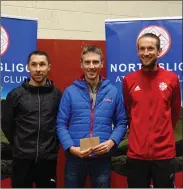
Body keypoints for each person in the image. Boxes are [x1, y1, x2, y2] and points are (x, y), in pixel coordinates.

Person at [56, 45, 127, 188]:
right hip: (75, 156)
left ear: (101, 64)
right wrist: (70, 147)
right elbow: (60, 124)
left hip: (102, 157)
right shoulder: (70, 92)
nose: (91, 66)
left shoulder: (113, 92)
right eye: (87, 62)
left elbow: (121, 122)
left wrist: (111, 142)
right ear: (81, 64)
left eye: (95, 62)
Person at [123, 33, 181, 188]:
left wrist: (162, 132)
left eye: (150, 48)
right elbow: (130, 112)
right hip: (136, 154)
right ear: (137, 51)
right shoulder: (129, 80)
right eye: (142, 49)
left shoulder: (172, 79)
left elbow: (175, 113)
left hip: (164, 154)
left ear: (159, 51)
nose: (146, 53)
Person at [1, 50, 62, 188]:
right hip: (22, 160)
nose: (38, 69)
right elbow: (6, 124)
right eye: (34, 65)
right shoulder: (16, 94)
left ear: (49, 67)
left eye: (42, 65)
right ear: (28, 67)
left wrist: (52, 146)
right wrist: (18, 143)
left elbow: (61, 123)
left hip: (48, 160)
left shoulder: (57, 95)